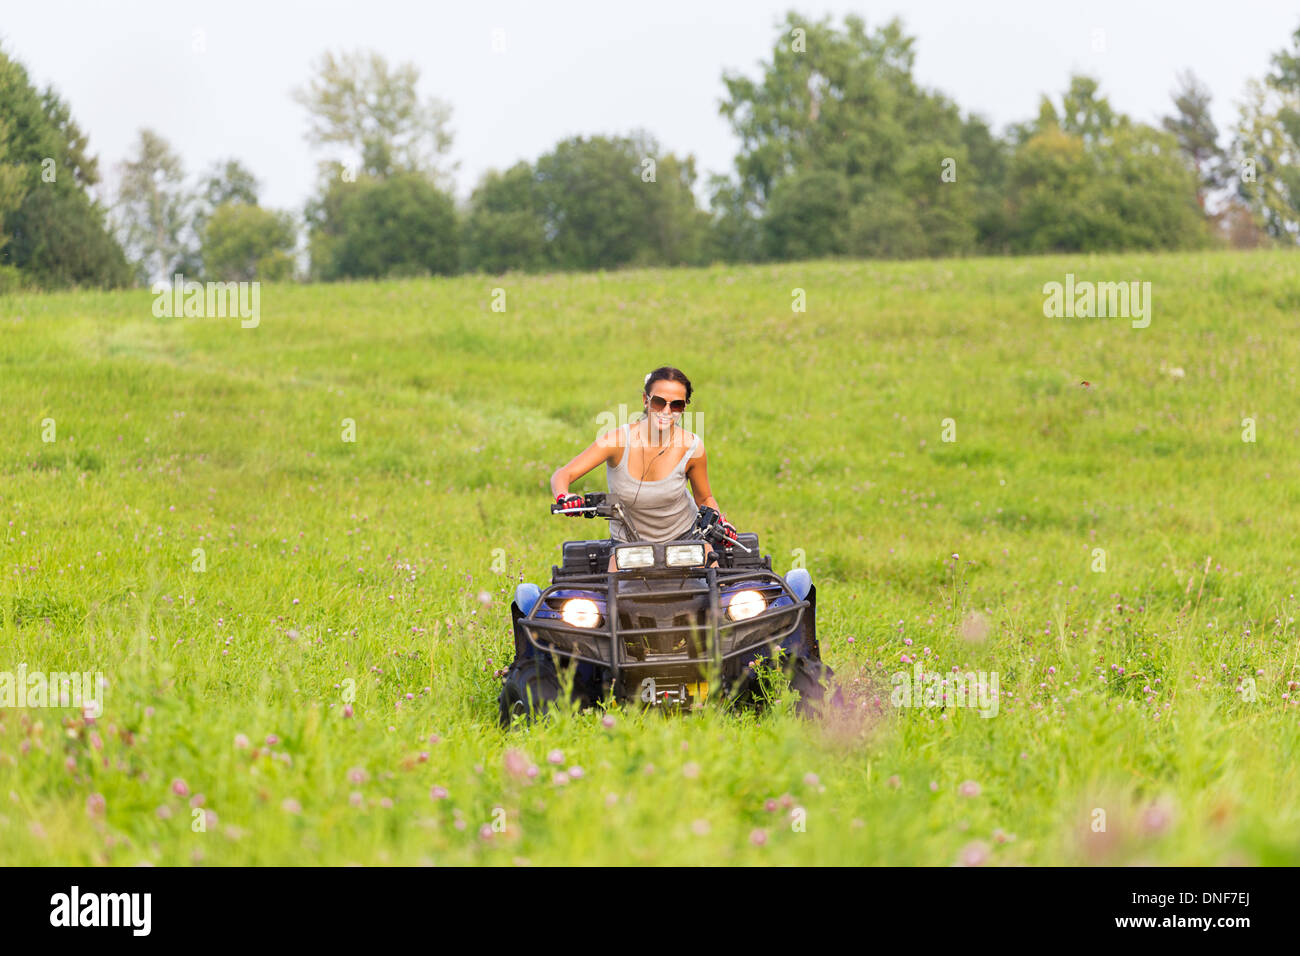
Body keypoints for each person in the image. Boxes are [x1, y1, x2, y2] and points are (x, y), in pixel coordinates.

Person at [548, 366, 739, 568]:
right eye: (658, 402)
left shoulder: (692, 447)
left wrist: (720, 522)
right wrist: (565, 496)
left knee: (716, 591)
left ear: (684, 407)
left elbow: (705, 498)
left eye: (676, 405)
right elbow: (563, 474)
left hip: (686, 540)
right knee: (616, 593)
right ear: (646, 401)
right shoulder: (617, 441)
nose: (666, 411)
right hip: (629, 547)